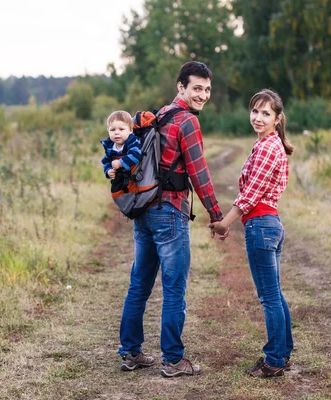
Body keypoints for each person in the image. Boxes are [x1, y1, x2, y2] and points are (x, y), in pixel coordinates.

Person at [118, 61, 223, 378]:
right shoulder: (187, 122)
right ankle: (173, 360)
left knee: (139, 285)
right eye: (196, 88)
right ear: (181, 87)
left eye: (206, 90)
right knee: (174, 289)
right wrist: (216, 214)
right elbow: (199, 173)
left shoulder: (160, 115)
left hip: (144, 210)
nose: (202, 95)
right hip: (169, 213)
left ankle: (131, 353)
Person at [209, 88, 295, 378]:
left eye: (265, 113)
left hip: (261, 226)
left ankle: (273, 360)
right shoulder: (267, 145)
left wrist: (225, 223)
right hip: (269, 224)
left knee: (269, 297)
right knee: (275, 294)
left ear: (277, 118)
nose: (258, 117)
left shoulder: (268, 147)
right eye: (255, 111)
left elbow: (250, 196)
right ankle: (282, 353)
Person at [101, 110, 142, 193]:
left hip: (135, 180)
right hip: (120, 182)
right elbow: (106, 161)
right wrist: (108, 170)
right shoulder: (110, 146)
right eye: (112, 130)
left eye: (121, 129)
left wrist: (120, 163)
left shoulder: (133, 142)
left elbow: (136, 154)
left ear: (130, 130)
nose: (116, 133)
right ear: (108, 131)